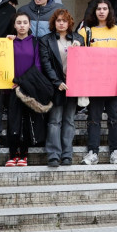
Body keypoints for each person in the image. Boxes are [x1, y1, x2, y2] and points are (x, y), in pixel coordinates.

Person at [80, 0, 117, 166]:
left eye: (104, 9)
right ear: (94, 12)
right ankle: (92, 152)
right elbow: (79, 54)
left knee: (115, 118)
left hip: (114, 82)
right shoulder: (86, 32)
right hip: (94, 82)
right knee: (94, 118)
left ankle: (115, 152)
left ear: (110, 12)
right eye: (98, 9)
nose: (101, 11)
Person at [40, 9, 84, 167]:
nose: (61, 23)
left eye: (64, 21)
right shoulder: (46, 39)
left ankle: (67, 154)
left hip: (73, 85)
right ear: (54, 22)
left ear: (69, 23)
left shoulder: (78, 38)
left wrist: (79, 48)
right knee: (54, 121)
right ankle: (53, 154)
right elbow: (46, 64)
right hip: (55, 86)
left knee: (69, 121)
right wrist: (56, 81)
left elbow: (84, 62)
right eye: (58, 20)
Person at [4, 12, 44, 167]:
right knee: (13, 121)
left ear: (29, 25)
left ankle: (24, 155)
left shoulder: (35, 42)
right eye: (18, 22)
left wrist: (24, 82)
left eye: (24, 22)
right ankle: (12, 154)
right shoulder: (8, 42)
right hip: (11, 87)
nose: (21, 25)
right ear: (14, 25)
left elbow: (38, 66)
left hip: (28, 87)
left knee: (27, 121)